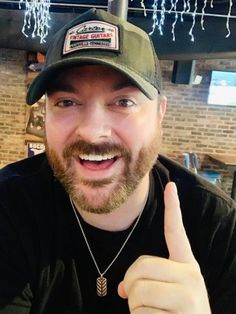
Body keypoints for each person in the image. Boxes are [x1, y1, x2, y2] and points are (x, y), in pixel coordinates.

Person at [0, 8, 235, 314]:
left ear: (160, 113)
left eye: (123, 102)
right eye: (67, 102)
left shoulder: (217, 226)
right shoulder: (10, 206)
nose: (93, 132)